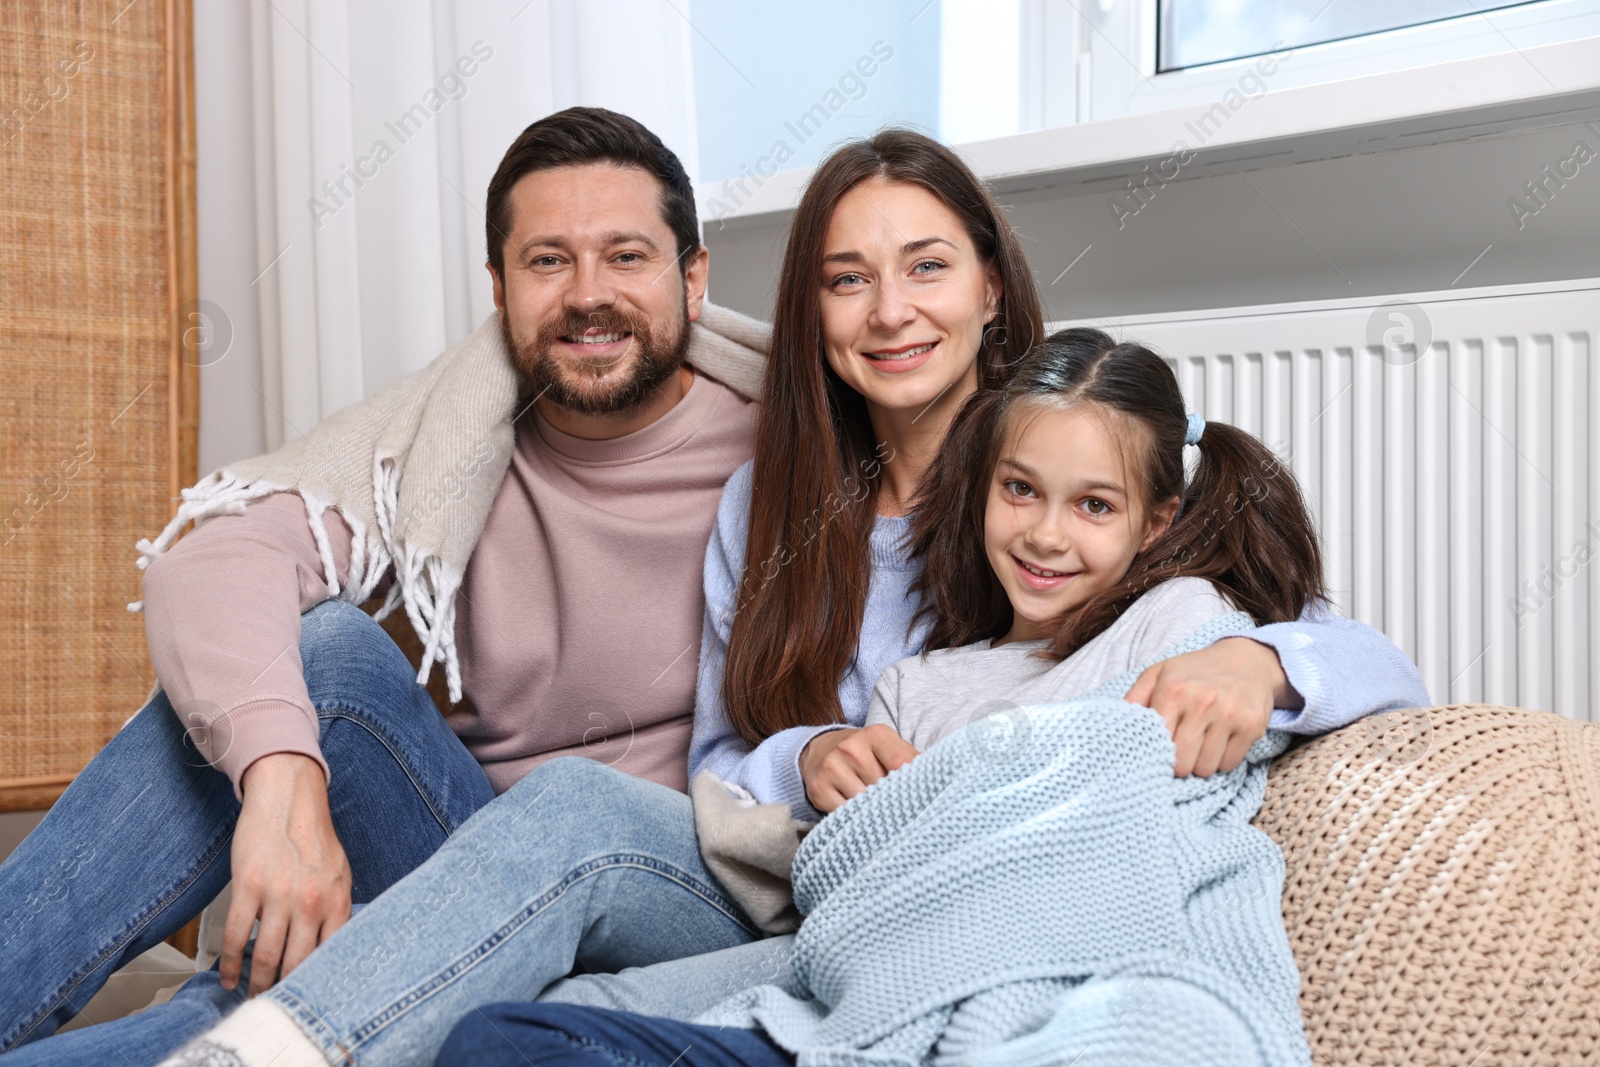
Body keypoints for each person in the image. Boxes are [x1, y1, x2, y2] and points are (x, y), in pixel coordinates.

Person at [153, 131, 1424, 1067]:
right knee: (445, 760)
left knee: (528, 906)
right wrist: (809, 751)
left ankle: (260, 1043)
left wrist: (1273, 665)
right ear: (808, 310)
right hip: (758, 870)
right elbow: (721, 759)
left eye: (924, 266)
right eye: (845, 279)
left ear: (989, 283)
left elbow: (1290, 624)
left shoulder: (1066, 456)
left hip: (886, 909)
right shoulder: (771, 501)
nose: (889, 312)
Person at [0, 107, 766, 1062]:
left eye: (626, 256)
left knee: (560, 810)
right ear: (499, 286)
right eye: (546, 261)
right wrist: (283, 785)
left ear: (692, 275)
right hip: (459, 861)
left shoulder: (792, 439)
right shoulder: (441, 440)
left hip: (675, 876)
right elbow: (216, 556)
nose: (587, 295)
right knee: (322, 658)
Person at [433, 328, 1334, 1065]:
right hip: (866, 992)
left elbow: (1178, 770)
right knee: (502, 1037)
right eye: (1020, 491)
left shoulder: (1180, 619)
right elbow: (848, 875)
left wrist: (1262, 664)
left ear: (1157, 522)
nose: (1046, 535)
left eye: (1094, 506)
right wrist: (833, 776)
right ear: (983, 488)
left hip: (1057, 977)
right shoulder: (915, 685)